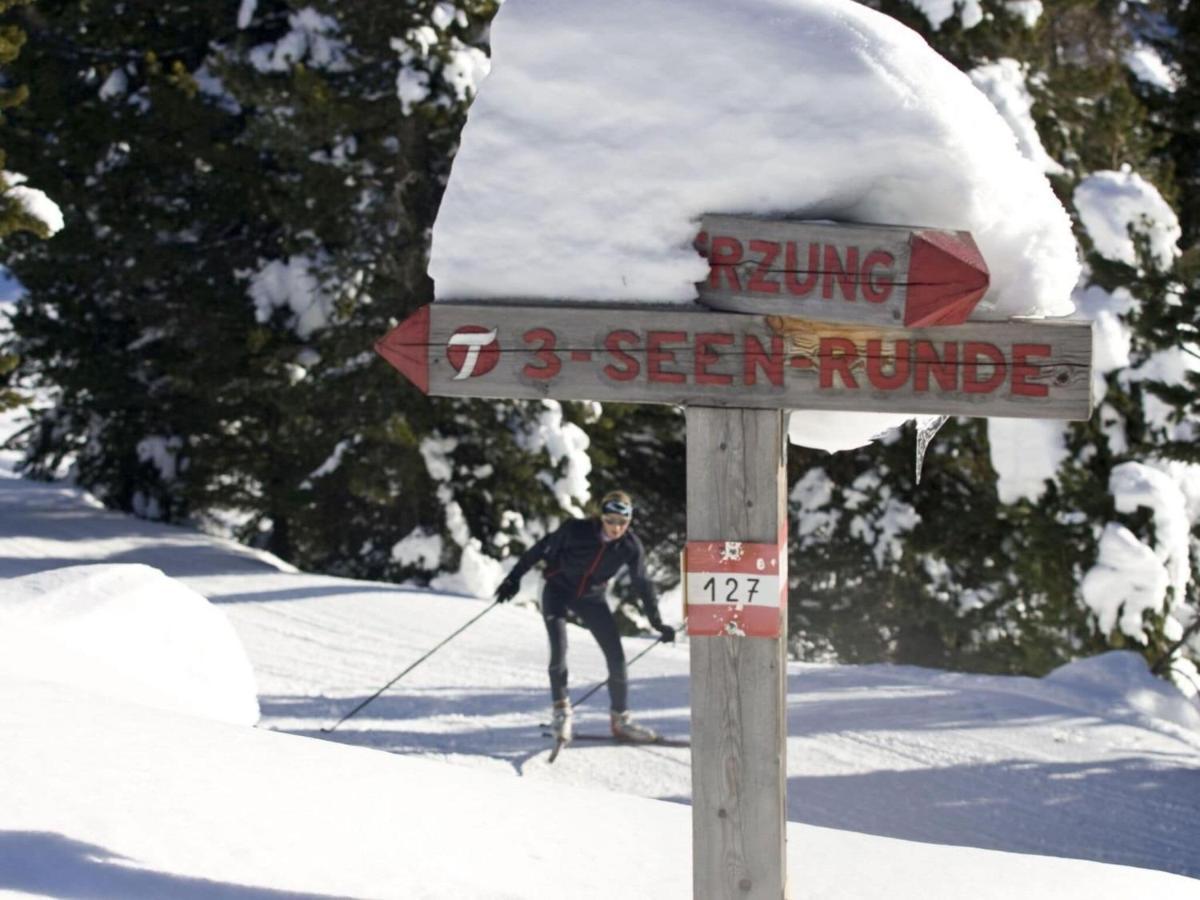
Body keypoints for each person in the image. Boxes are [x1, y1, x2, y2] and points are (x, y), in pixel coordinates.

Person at [494, 490, 675, 743]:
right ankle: (561, 711)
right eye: (610, 520)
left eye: (622, 522)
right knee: (559, 647)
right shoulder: (576, 530)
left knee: (616, 655)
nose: (616, 528)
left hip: (591, 597)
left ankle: (620, 720)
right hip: (556, 588)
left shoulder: (630, 546)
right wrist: (513, 578)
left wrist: (657, 623)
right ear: (601, 517)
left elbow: (642, 584)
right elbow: (540, 549)